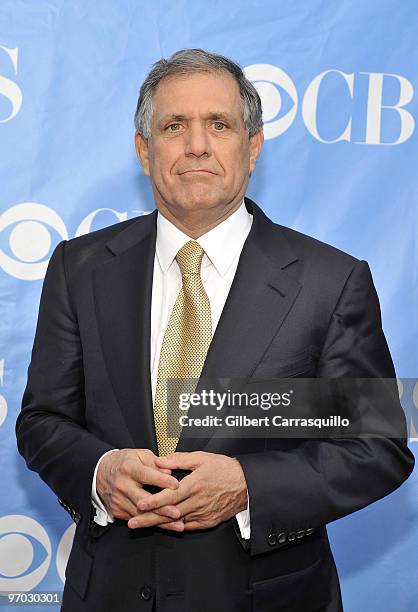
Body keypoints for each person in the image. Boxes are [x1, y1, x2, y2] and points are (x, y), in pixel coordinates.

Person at [16, 49, 414, 612]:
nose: (196, 145)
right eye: (174, 126)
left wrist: (250, 485)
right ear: (143, 149)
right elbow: (42, 420)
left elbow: (378, 447)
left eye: (219, 125)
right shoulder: (77, 269)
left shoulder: (331, 281)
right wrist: (101, 471)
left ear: (251, 148)